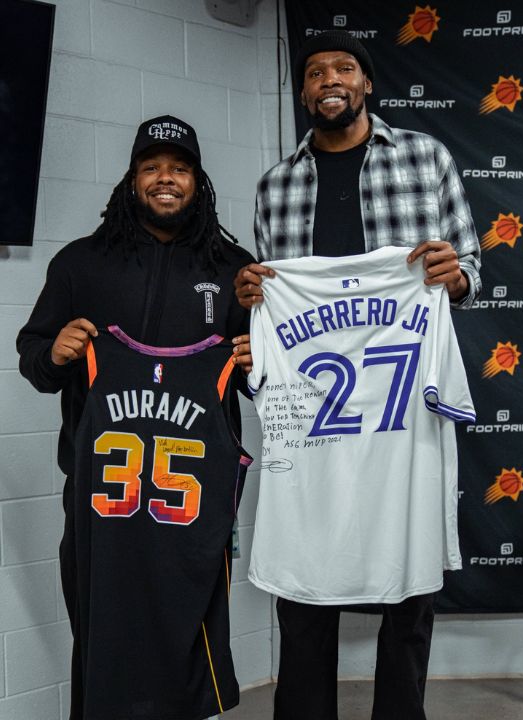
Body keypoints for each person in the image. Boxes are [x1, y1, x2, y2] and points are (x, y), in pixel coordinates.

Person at [232, 31, 480, 720]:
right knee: (305, 576)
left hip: (402, 401)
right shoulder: (276, 184)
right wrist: (252, 296)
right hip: (316, 402)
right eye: (315, 73)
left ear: (367, 83)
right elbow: (269, 298)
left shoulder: (426, 158)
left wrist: (455, 276)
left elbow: (471, 267)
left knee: (410, 581)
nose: (329, 81)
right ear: (303, 91)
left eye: (344, 68)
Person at [15, 115, 255, 718]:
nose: (165, 179)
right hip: (102, 498)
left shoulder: (233, 269)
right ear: (131, 179)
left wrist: (261, 364)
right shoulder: (80, 263)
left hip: (191, 501)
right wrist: (53, 354)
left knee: (189, 644)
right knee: (102, 640)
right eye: (152, 167)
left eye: (180, 168)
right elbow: (34, 360)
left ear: (198, 182)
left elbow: (265, 385)